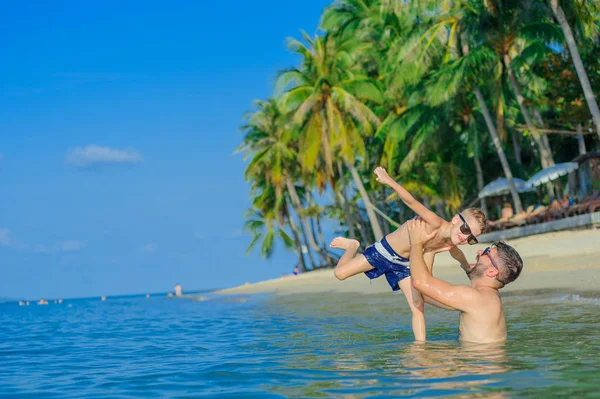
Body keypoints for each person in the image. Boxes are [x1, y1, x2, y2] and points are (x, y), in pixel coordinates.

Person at [330, 167, 486, 341]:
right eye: (465, 230)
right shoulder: (434, 222)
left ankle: (421, 348)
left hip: (406, 264)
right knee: (340, 274)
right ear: (456, 219)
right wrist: (389, 180)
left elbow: (456, 253)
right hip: (384, 252)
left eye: (472, 238)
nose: (465, 237)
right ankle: (352, 245)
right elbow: (411, 202)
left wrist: (467, 268)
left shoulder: (450, 242)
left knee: (418, 305)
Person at [406, 218, 523, 343]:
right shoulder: (488, 298)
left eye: (485, 252)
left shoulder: (475, 298)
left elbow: (420, 282)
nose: (479, 251)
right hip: (479, 358)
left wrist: (416, 243)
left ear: (492, 272)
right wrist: (430, 250)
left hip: (476, 360)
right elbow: (426, 294)